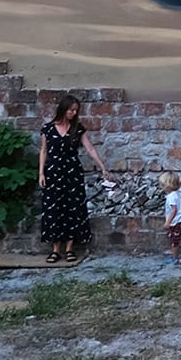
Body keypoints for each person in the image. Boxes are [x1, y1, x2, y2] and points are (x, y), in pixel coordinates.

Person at [36, 96, 110, 265]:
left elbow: (89, 148)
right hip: (53, 172)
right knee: (53, 208)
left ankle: (69, 248)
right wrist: (41, 173)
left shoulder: (78, 129)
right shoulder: (48, 129)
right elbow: (44, 151)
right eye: (71, 110)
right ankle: (55, 249)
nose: (74, 113)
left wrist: (102, 167)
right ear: (63, 109)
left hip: (72, 172)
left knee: (73, 208)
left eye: (76, 110)